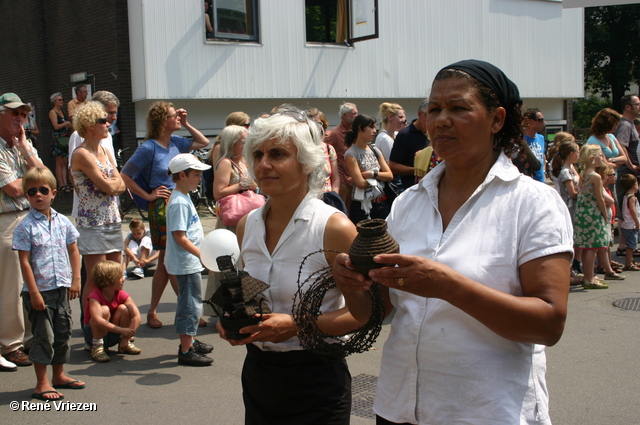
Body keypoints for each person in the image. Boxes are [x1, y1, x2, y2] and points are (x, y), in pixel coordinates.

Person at [334, 59, 573, 425]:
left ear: (496, 120)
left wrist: (447, 286)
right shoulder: (409, 203)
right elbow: (377, 311)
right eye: (434, 109)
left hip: (486, 410)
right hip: (399, 407)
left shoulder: (533, 203)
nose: (440, 120)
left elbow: (548, 324)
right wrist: (353, 286)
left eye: (458, 108)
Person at [217, 107, 362, 424]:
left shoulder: (333, 228)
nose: (263, 164)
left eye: (278, 154)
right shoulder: (246, 226)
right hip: (259, 375)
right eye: (257, 154)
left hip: (318, 380)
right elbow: (249, 290)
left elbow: (365, 313)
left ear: (308, 162)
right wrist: (231, 317)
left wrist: (297, 324)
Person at [121, 101, 210, 329]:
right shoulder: (149, 147)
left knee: (164, 260)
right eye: (174, 115)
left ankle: (154, 311)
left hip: (178, 200)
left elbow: (203, 142)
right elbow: (126, 175)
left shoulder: (176, 143)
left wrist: (187, 122)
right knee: (171, 258)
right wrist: (148, 195)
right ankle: (188, 310)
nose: (178, 117)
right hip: (162, 206)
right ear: (162, 120)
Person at [12, 167, 83, 400]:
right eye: (32, 192)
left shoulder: (63, 222)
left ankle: (59, 375)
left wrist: (76, 279)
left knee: (63, 332)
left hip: (61, 288)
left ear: (53, 193)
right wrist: (33, 292)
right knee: (44, 337)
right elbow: (24, 262)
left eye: (43, 190)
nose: (38, 195)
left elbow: (74, 250)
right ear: (26, 195)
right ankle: (41, 383)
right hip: (39, 291)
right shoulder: (25, 226)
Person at [70, 101, 126, 329]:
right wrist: (114, 183)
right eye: (102, 120)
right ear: (89, 125)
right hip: (92, 223)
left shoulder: (103, 150)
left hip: (112, 219)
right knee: (94, 280)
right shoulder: (82, 154)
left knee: (116, 278)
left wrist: (115, 183)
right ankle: (90, 330)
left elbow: (121, 184)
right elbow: (111, 186)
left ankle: (115, 327)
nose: (108, 123)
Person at [0, 92, 44, 367]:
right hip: (7, 220)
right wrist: (34, 182)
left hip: (29, 216)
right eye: (14, 113)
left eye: (23, 114)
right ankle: (10, 343)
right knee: (12, 284)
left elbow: (46, 178)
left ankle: (29, 338)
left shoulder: (21, 146)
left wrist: (26, 150)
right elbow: (14, 188)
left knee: (33, 281)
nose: (20, 119)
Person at [165, 154, 214, 366]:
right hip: (185, 263)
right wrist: (202, 256)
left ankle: (190, 342)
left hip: (188, 262)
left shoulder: (183, 198)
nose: (200, 179)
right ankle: (186, 350)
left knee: (192, 302)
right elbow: (180, 237)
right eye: (196, 175)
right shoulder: (178, 202)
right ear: (182, 175)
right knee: (189, 305)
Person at [67, 91, 120, 219]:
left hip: (111, 211)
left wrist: (117, 204)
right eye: (110, 113)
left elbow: (116, 177)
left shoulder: (107, 137)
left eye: (115, 113)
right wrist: (90, 204)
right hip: (90, 214)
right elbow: (72, 175)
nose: (114, 117)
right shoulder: (78, 137)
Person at [84, 260, 142, 363]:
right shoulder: (95, 296)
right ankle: (96, 346)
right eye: (120, 277)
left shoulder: (121, 294)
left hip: (113, 333)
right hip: (93, 334)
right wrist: (121, 330)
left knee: (124, 309)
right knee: (104, 310)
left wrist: (125, 337)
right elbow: (97, 320)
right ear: (108, 280)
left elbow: (137, 316)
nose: (123, 279)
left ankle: (123, 344)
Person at [345, 114, 394, 224]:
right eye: (371, 127)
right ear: (360, 128)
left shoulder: (375, 149)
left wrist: (373, 174)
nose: (374, 130)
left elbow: (390, 175)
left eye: (375, 127)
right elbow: (360, 183)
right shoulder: (351, 153)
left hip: (382, 204)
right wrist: (380, 178)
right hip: (362, 206)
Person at [574, 144, 611, 289]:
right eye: (600, 155)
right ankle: (589, 279)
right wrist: (605, 215)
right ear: (592, 158)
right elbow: (600, 198)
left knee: (586, 246)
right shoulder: (595, 177)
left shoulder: (582, 174)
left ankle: (588, 276)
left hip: (582, 213)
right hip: (592, 214)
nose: (602, 158)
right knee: (593, 247)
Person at [389, 100, 429, 190]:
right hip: (412, 190)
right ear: (420, 114)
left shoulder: (435, 133)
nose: (432, 121)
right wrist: (418, 170)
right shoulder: (405, 134)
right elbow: (393, 165)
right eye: (429, 117)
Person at [326, 102, 358, 209]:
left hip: (356, 180)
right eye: (353, 114)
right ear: (344, 115)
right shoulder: (334, 134)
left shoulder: (356, 132)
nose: (356, 116)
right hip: (342, 182)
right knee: (341, 209)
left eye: (356, 113)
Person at [48, 92, 72, 192]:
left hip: (65, 137)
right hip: (57, 139)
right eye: (59, 100)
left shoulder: (62, 111)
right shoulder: (53, 112)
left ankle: (65, 183)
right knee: (59, 162)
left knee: (65, 161)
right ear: (54, 101)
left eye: (62, 99)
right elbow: (56, 126)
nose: (62, 101)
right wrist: (66, 123)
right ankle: (61, 184)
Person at [619, 174, 640, 271]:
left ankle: (630, 261)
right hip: (631, 225)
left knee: (631, 244)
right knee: (631, 246)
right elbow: (632, 210)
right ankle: (628, 262)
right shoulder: (632, 198)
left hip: (627, 225)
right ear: (635, 185)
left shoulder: (626, 196)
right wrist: (637, 222)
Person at [522, 108, 547, 183]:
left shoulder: (541, 138)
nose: (543, 122)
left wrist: (544, 172)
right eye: (540, 120)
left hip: (541, 182)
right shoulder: (520, 139)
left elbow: (543, 156)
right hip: (528, 182)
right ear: (531, 121)